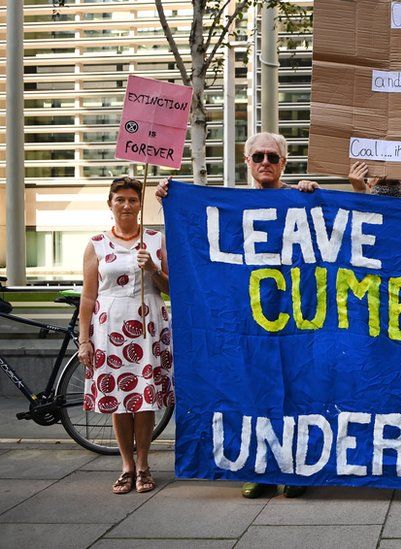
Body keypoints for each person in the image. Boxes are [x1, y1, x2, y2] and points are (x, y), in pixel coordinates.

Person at [157, 131, 319, 499]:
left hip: (298, 323)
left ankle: (297, 472)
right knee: (252, 393)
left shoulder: (303, 199)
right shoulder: (231, 207)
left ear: (284, 163)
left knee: (300, 395)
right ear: (247, 162)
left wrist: (314, 193)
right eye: (258, 156)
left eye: (273, 157)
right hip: (247, 324)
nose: (265, 163)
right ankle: (259, 470)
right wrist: (173, 196)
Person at [78, 176, 173, 495]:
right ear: (110, 204)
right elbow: (88, 296)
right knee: (118, 399)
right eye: (120, 199)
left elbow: (172, 288)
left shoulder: (155, 242)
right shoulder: (96, 244)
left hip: (147, 330)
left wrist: (154, 271)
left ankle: (144, 464)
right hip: (109, 330)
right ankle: (126, 466)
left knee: (144, 398)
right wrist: (84, 339)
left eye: (133, 199)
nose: (127, 205)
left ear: (139, 204)